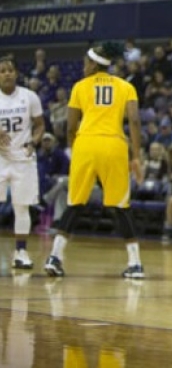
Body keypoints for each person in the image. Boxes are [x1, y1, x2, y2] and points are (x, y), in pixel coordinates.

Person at [44, 42, 145, 278]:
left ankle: (55, 257)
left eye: (85, 63)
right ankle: (135, 263)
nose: (82, 67)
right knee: (120, 206)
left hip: (86, 145)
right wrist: (137, 156)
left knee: (75, 203)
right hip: (114, 145)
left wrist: (74, 148)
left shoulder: (80, 87)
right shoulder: (126, 86)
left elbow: (70, 126)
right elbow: (135, 122)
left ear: (93, 64)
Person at [0, 57, 45, 270]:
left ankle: (21, 251)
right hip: (0, 158)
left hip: (23, 159)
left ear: (16, 73)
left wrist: (34, 141)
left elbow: (40, 126)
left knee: (21, 207)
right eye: (2, 71)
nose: (7, 73)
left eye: (10, 70)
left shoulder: (30, 97)